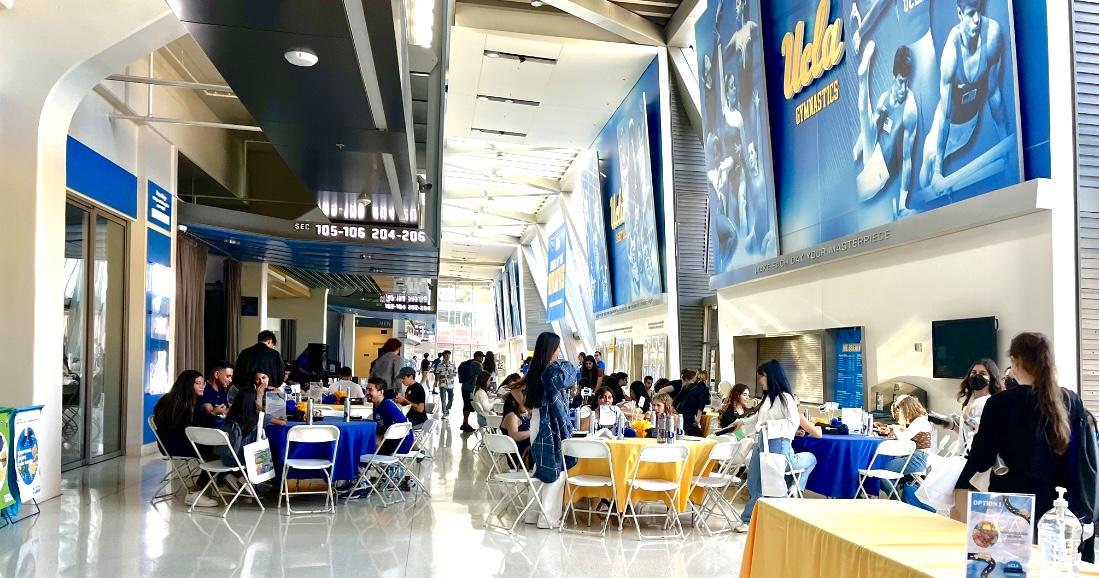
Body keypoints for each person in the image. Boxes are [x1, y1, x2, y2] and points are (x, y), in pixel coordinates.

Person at [952, 333, 1094, 529]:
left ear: (1016, 362)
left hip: (1011, 502)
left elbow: (982, 457)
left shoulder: (1000, 403)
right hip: (1060, 502)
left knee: (1009, 558)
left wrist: (961, 483)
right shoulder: (1071, 400)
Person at [921, 0, 1011, 198]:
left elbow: (994, 95)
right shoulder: (951, 53)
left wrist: (1007, 147)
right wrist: (938, 171)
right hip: (946, 123)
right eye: (971, 14)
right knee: (927, 164)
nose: (977, 20)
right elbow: (944, 116)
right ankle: (925, 182)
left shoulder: (993, 34)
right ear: (959, 13)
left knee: (945, 155)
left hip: (969, 126)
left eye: (979, 12)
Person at [730, 360, 818, 532]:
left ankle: (753, 520)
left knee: (768, 484)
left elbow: (792, 423)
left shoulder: (786, 398)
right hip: (762, 442)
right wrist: (740, 424)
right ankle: (749, 520)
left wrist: (772, 425)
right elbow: (757, 420)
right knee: (754, 481)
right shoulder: (768, 398)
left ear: (771, 376)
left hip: (778, 443)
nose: (761, 380)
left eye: (762, 376)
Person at [851, 41, 919, 217]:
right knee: (865, 114)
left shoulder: (910, 110)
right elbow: (869, 127)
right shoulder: (885, 97)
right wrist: (856, 150)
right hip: (873, 151)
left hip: (880, 171)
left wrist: (903, 204)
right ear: (893, 77)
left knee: (852, 194)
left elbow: (906, 160)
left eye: (907, 83)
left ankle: (862, 78)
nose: (903, 88)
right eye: (900, 82)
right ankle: (862, 76)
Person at [523, 331, 577, 529]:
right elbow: (572, 372)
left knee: (540, 469)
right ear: (551, 349)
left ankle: (533, 514)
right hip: (548, 426)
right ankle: (548, 518)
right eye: (558, 347)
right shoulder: (553, 372)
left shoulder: (535, 371)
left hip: (538, 423)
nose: (560, 351)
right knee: (556, 471)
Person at [152, 370, 217, 507]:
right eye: (198, 383)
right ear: (188, 385)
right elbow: (191, 428)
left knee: (216, 449)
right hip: (176, 444)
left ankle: (219, 480)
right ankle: (196, 491)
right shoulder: (183, 405)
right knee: (218, 451)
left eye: (203, 383)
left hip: (167, 443)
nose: (202, 386)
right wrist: (211, 414)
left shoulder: (170, 399)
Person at [873, 394, 932, 498]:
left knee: (883, 471)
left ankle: (897, 499)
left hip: (918, 459)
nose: (899, 414)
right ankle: (896, 495)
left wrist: (894, 430)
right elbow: (907, 433)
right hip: (917, 456)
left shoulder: (919, 421)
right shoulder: (919, 420)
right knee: (887, 470)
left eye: (899, 410)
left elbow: (903, 438)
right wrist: (891, 427)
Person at [948, 359, 1004, 447]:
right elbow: (967, 436)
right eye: (974, 372)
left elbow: (982, 434)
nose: (976, 376)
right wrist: (953, 427)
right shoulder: (973, 402)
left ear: (991, 378)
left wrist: (966, 417)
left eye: (982, 373)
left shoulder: (988, 402)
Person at [227, 369, 288, 447]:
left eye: (264, 378)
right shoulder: (259, 415)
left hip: (231, 451)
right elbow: (282, 422)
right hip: (246, 452)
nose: (261, 382)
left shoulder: (235, 411)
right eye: (257, 379)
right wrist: (259, 395)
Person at [365, 377, 413, 454]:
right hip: (390, 441)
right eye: (366, 389)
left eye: (370, 390)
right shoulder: (377, 405)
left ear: (380, 392)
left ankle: (363, 466)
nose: (366, 392)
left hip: (400, 445)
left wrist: (378, 439)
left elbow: (401, 428)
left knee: (362, 444)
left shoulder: (388, 407)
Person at [501, 385, 532, 469]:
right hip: (520, 457)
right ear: (514, 403)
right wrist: (533, 432)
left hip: (525, 453)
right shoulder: (512, 416)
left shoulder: (520, 415)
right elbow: (514, 436)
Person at [674, 371, 711, 437]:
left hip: (680, 415)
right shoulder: (704, 389)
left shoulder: (688, 386)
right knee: (699, 436)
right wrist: (698, 420)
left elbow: (675, 402)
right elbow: (701, 406)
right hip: (690, 418)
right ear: (706, 379)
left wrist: (676, 414)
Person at [458, 351, 485, 432]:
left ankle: (465, 422)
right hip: (471, 388)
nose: (482, 359)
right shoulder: (477, 364)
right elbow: (482, 377)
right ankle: (465, 424)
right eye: (481, 357)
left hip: (464, 387)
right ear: (477, 357)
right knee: (469, 405)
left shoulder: (467, 363)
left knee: (466, 404)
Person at [200, 361, 233, 427]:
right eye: (228, 376)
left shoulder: (223, 392)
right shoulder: (202, 390)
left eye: (231, 377)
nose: (230, 380)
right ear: (216, 374)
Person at [434, 350, 457, 419]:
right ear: (443, 356)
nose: (447, 357)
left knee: (451, 399)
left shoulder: (452, 364)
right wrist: (436, 382)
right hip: (442, 384)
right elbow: (437, 374)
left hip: (450, 384)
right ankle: (444, 413)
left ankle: (447, 408)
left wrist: (452, 375)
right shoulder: (439, 365)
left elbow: (455, 373)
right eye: (446, 355)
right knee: (443, 399)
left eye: (448, 355)